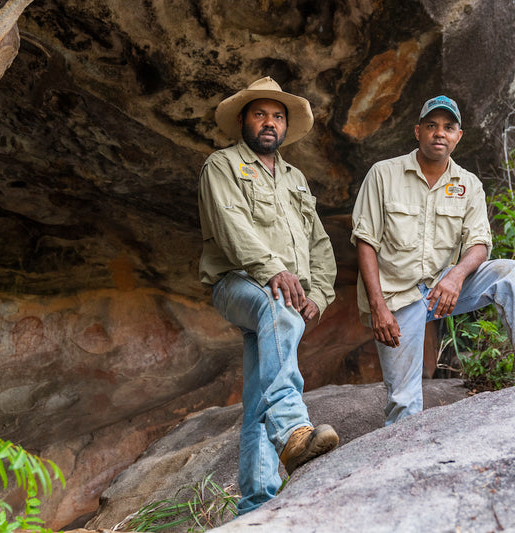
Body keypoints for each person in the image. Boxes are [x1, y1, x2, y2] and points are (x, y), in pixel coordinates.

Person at [351, 95, 515, 426]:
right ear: (417, 131)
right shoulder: (383, 175)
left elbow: (479, 243)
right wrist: (378, 307)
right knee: (404, 406)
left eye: (448, 127)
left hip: (442, 289)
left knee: (508, 272)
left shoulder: (468, 185)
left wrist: (456, 275)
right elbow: (365, 242)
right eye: (432, 126)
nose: (439, 133)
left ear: (458, 136)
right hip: (396, 298)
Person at [198, 77, 339, 514]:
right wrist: (275, 271)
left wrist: (318, 292)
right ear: (243, 119)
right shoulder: (221, 165)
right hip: (237, 283)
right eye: (260, 113)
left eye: (278, 116)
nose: (269, 122)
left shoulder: (295, 178)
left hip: (285, 290)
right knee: (278, 310)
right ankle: (293, 430)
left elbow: (318, 242)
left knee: (260, 386)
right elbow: (230, 226)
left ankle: (256, 502)